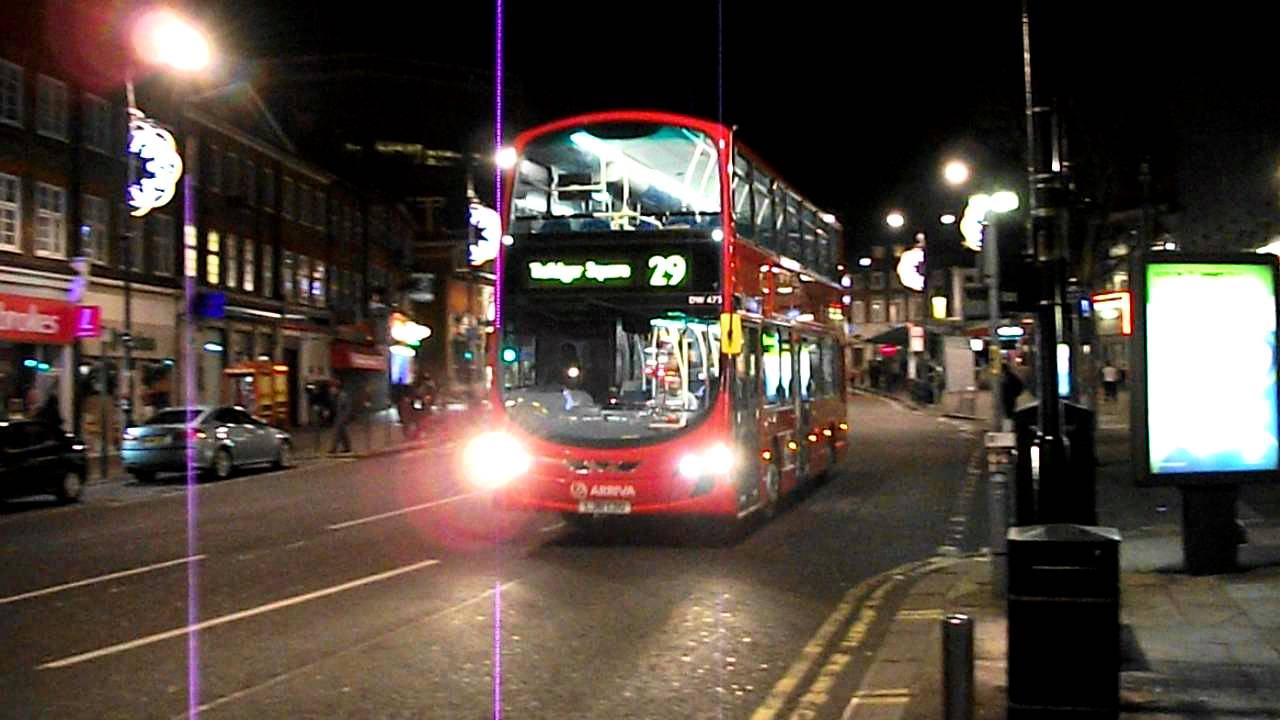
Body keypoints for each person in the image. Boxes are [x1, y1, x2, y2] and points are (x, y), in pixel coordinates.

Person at [330, 379, 353, 454]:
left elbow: (346, 407)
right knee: (343, 433)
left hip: (341, 416)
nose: (331, 390)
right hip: (339, 416)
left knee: (337, 432)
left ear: (337, 388)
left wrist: (345, 417)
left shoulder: (342, 396)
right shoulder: (335, 396)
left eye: (333, 388)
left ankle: (333, 449)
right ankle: (347, 448)